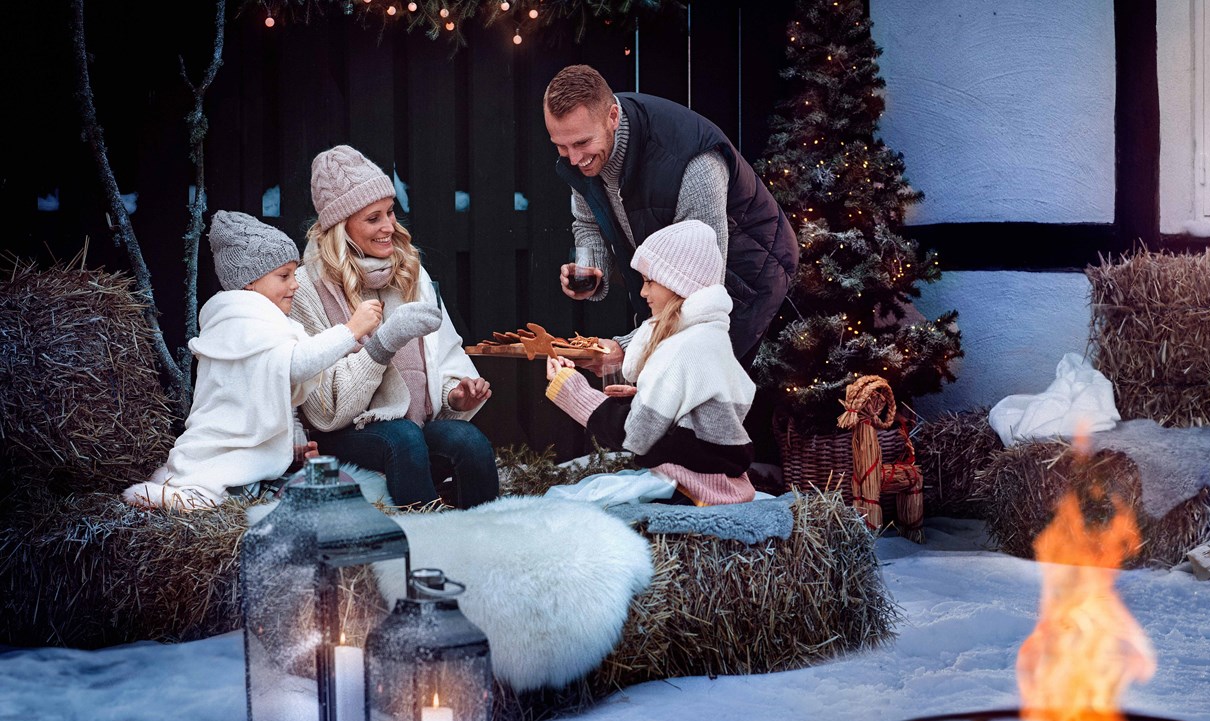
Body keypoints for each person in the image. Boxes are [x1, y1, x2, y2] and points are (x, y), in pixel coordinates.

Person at [543, 63, 799, 373]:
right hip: (675, 288)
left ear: (613, 117)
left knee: (695, 382)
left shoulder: (692, 162)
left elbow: (700, 293)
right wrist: (593, 272)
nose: (573, 159)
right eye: (561, 146)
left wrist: (627, 349)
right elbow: (588, 221)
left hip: (745, 277)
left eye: (582, 143)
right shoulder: (584, 149)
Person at [123, 210, 384, 510]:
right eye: (284, 276)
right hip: (228, 453)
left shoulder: (264, 321)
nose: (295, 284)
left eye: (295, 274)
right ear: (249, 283)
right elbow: (297, 364)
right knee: (250, 487)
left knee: (322, 483)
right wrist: (351, 330)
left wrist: (292, 447)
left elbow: (276, 393)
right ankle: (193, 498)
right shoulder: (242, 322)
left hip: (251, 457)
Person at [290, 144, 499, 509]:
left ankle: (488, 532)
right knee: (402, 437)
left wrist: (455, 394)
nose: (389, 226)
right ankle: (423, 536)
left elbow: (442, 357)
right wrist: (382, 344)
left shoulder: (410, 272)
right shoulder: (307, 287)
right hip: (346, 436)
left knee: (468, 441)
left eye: (390, 211)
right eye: (373, 218)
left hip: (414, 428)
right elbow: (325, 412)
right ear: (341, 227)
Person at [542, 220, 756, 506]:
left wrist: (572, 390)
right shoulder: (710, 339)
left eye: (649, 281)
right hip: (721, 485)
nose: (643, 293)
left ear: (678, 283)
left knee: (568, 504)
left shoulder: (679, 349)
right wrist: (642, 400)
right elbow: (701, 419)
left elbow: (636, 435)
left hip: (689, 491)